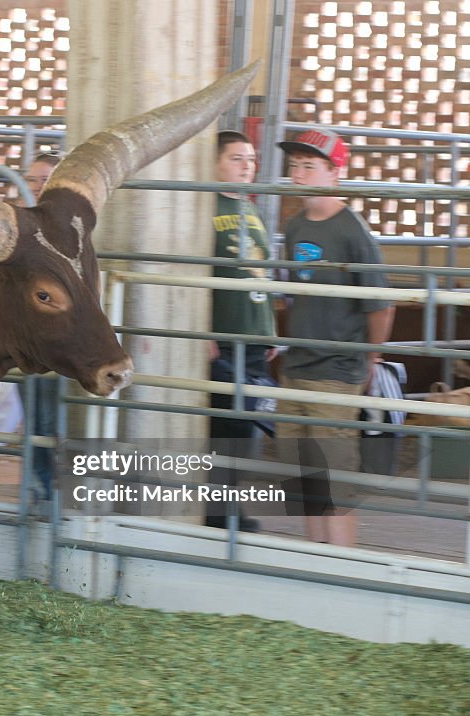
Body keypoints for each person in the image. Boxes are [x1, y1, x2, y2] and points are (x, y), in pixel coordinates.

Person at [276, 127, 395, 547]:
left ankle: (339, 564)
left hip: (335, 369)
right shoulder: (292, 228)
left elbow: (381, 304)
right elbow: (294, 294)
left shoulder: (352, 232)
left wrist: (370, 358)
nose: (299, 174)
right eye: (294, 166)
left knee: (334, 478)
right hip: (296, 367)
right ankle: (314, 560)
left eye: (309, 166)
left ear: (334, 173)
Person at [205, 130, 278, 533]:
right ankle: (218, 512)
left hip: (253, 336)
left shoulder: (252, 209)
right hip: (223, 335)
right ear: (214, 162)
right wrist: (203, 332)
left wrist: (269, 330)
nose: (246, 165)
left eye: (250, 158)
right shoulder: (206, 208)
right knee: (226, 425)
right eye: (236, 158)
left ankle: (230, 506)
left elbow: (262, 274)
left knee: (248, 426)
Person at [12, 151, 62, 501]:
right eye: (32, 179)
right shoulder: (15, 224)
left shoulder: (68, 227)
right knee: (33, 417)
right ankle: (36, 484)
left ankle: (50, 488)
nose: (38, 186)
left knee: (51, 419)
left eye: (46, 179)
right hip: (26, 337)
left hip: (59, 339)